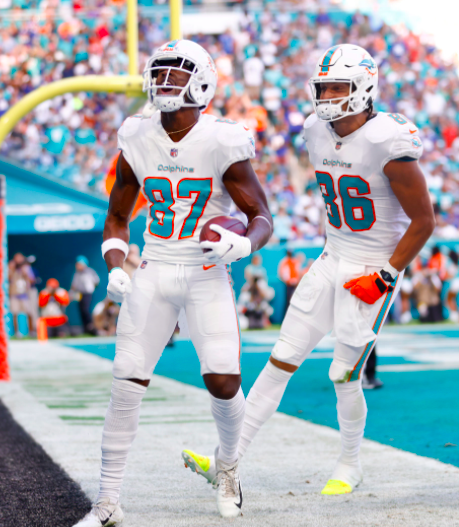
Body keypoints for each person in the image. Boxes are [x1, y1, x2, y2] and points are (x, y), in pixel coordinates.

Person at [182, 44, 434, 498]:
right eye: (322, 86)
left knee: (343, 374)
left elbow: (424, 222)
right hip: (330, 257)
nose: (327, 95)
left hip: (371, 265)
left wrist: (387, 275)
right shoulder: (315, 130)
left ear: (364, 87)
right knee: (281, 359)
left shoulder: (389, 140)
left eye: (338, 86)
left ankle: (350, 464)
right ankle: (226, 459)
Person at [70, 39, 272, 527]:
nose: (164, 83)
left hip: (206, 270)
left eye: (176, 75)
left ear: (201, 83)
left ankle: (228, 470)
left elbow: (261, 216)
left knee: (223, 378)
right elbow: (117, 216)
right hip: (156, 266)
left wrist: (245, 246)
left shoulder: (222, 139)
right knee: (126, 380)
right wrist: (116, 264)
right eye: (159, 73)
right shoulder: (137, 134)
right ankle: (108, 499)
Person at [70, 255, 99, 335]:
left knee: (86, 310)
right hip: (80, 294)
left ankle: (91, 326)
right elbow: (74, 285)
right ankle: (85, 328)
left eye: (78, 264)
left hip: (87, 294)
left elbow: (96, 281)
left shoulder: (90, 272)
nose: (77, 266)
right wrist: (71, 293)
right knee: (81, 311)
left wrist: (91, 288)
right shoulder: (77, 273)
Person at [9, 252, 36, 336]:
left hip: (25, 294)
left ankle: (31, 331)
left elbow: (32, 280)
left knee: (29, 312)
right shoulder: (11, 268)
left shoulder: (26, 268)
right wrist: (11, 269)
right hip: (14, 294)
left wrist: (25, 274)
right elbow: (7, 278)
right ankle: (17, 332)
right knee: (15, 313)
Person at [277, 249, 301, 315]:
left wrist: (296, 281)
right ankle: (286, 316)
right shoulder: (284, 261)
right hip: (288, 285)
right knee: (288, 301)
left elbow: (297, 272)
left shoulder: (295, 261)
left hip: (295, 284)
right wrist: (288, 281)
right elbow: (281, 274)